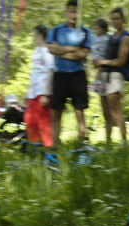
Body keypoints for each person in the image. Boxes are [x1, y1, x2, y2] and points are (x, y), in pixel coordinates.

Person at [46, 0, 92, 145]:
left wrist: (62, 50)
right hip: (60, 76)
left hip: (78, 75)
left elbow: (83, 54)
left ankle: (82, 145)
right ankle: (55, 145)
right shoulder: (56, 31)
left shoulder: (86, 32)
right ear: (66, 13)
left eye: (76, 11)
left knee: (79, 112)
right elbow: (52, 49)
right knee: (56, 113)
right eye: (71, 11)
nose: (73, 14)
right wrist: (73, 48)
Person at [94, 7, 129, 146]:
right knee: (105, 113)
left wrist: (102, 61)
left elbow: (121, 61)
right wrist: (97, 63)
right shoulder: (110, 37)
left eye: (117, 18)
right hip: (102, 75)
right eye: (112, 19)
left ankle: (124, 141)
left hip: (115, 76)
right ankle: (108, 142)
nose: (114, 21)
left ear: (123, 20)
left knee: (116, 111)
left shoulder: (126, 37)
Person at [25, 25, 56, 148]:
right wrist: (27, 93)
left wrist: (46, 94)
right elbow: (34, 73)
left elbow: (51, 71)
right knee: (29, 120)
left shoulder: (48, 52)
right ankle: (34, 147)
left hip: (42, 92)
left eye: (35, 35)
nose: (33, 38)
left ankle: (48, 148)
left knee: (43, 122)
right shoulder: (36, 51)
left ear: (41, 36)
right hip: (33, 92)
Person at [89, 18, 110, 94]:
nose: (96, 30)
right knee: (98, 71)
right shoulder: (95, 38)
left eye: (98, 29)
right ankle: (97, 86)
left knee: (100, 71)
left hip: (103, 58)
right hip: (96, 57)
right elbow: (92, 48)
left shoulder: (107, 37)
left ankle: (98, 86)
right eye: (95, 29)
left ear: (104, 29)